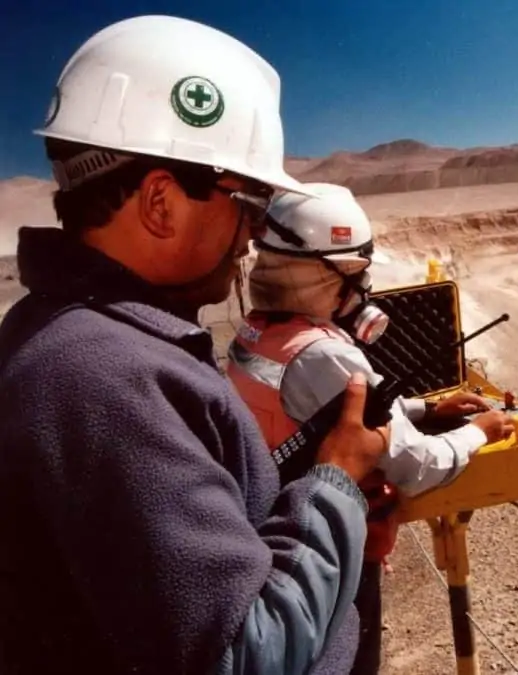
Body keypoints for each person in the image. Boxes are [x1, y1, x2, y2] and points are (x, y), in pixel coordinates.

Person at [0, 15, 389, 675]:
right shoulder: (104, 379)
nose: (252, 237)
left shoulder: (83, 336)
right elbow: (246, 657)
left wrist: (330, 530)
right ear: (160, 202)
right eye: (249, 204)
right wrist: (335, 484)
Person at [225, 181, 515, 674]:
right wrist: (479, 431)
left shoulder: (258, 332)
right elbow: (417, 466)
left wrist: (428, 412)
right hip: (330, 554)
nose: (364, 290)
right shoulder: (326, 353)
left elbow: (331, 411)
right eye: (356, 275)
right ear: (318, 274)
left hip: (281, 528)